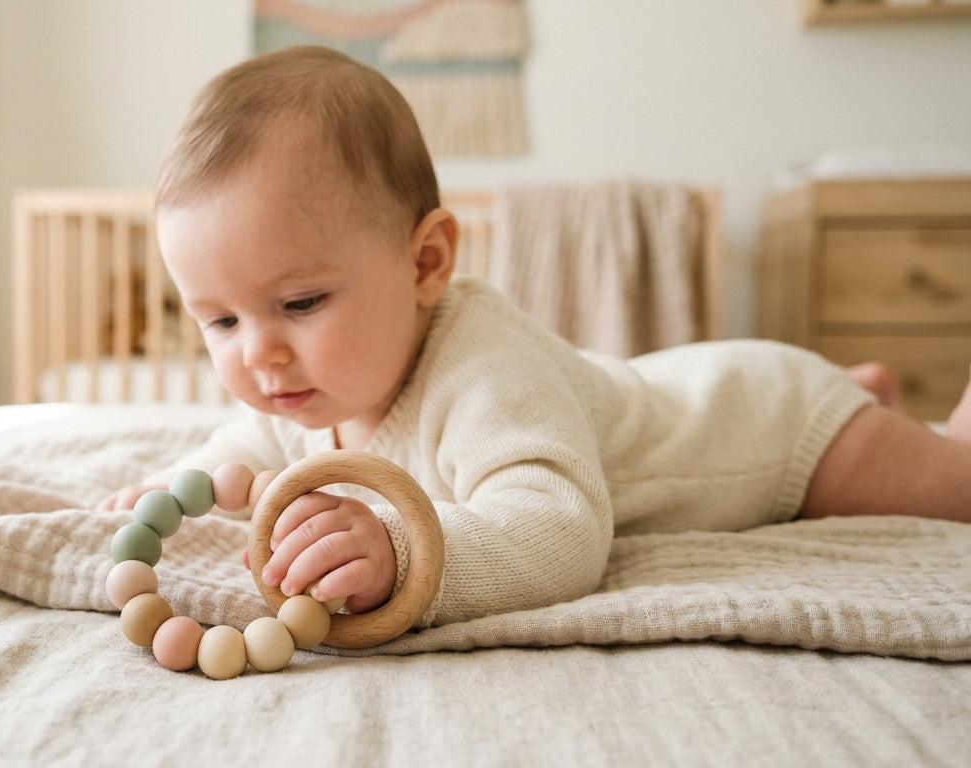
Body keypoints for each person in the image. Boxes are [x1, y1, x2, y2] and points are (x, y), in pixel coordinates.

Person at [100, 46, 971, 628]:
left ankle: (869, 411)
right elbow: (245, 454)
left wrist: (405, 547)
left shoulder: (480, 367)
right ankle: (873, 391)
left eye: (299, 302)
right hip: (691, 390)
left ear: (426, 262)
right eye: (219, 320)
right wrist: (178, 492)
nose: (258, 354)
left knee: (954, 485)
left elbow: (559, 529)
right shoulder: (307, 388)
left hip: (774, 428)